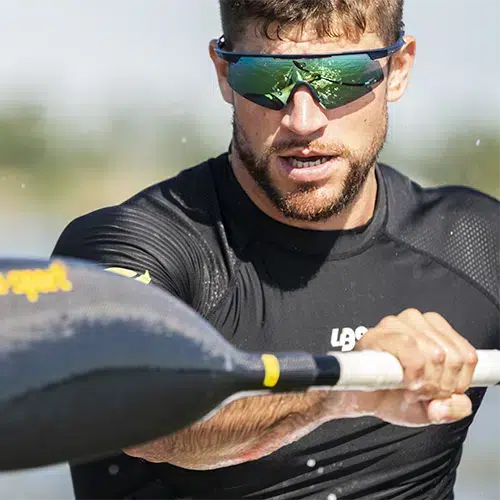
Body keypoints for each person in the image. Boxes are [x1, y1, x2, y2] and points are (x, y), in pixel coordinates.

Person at [51, 1, 500, 499]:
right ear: (224, 74)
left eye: (343, 76)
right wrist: (341, 392)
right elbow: (133, 417)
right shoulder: (131, 245)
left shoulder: (478, 243)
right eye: (268, 78)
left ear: (398, 69)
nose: (303, 121)